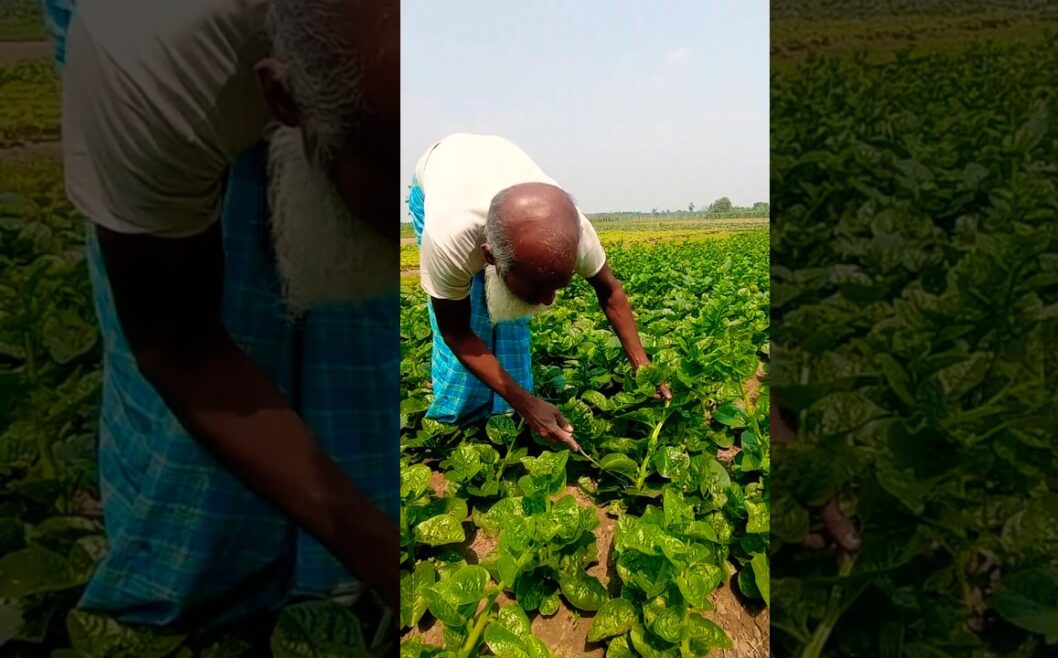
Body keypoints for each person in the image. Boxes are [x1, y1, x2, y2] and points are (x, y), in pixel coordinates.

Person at [47, 0, 401, 628]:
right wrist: (384, 554)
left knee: (352, 311)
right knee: (232, 298)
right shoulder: (150, 62)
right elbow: (179, 347)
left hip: (319, 87)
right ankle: (214, 572)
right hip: (188, 59)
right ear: (282, 100)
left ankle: (334, 578)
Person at [409, 133, 671, 451]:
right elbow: (456, 331)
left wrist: (641, 362)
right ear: (490, 257)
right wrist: (528, 404)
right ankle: (459, 421)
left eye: (557, 287)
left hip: (494, 177)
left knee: (511, 314)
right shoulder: (449, 236)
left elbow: (610, 291)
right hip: (438, 178)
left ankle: (506, 411)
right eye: (539, 288)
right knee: (474, 315)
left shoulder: (578, 235)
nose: (548, 301)